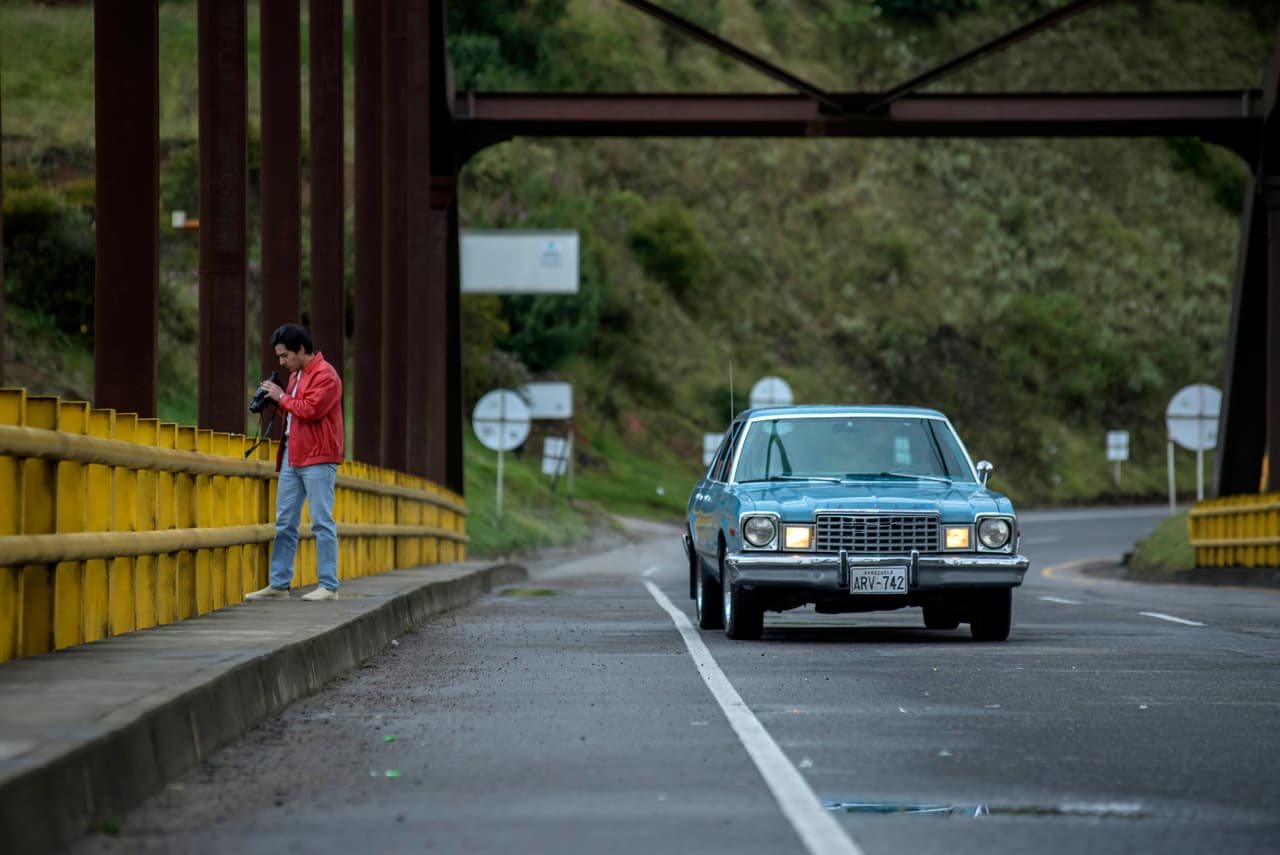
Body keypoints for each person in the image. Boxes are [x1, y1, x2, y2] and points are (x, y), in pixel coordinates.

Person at [245, 323, 345, 602]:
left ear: (301, 350)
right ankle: (279, 584)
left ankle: (328, 585)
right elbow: (294, 409)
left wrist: (281, 397)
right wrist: (276, 399)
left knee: (321, 522)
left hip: (318, 457)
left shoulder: (327, 376)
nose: (281, 361)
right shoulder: (296, 374)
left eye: (285, 355)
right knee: (285, 522)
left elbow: (311, 410)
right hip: (292, 454)